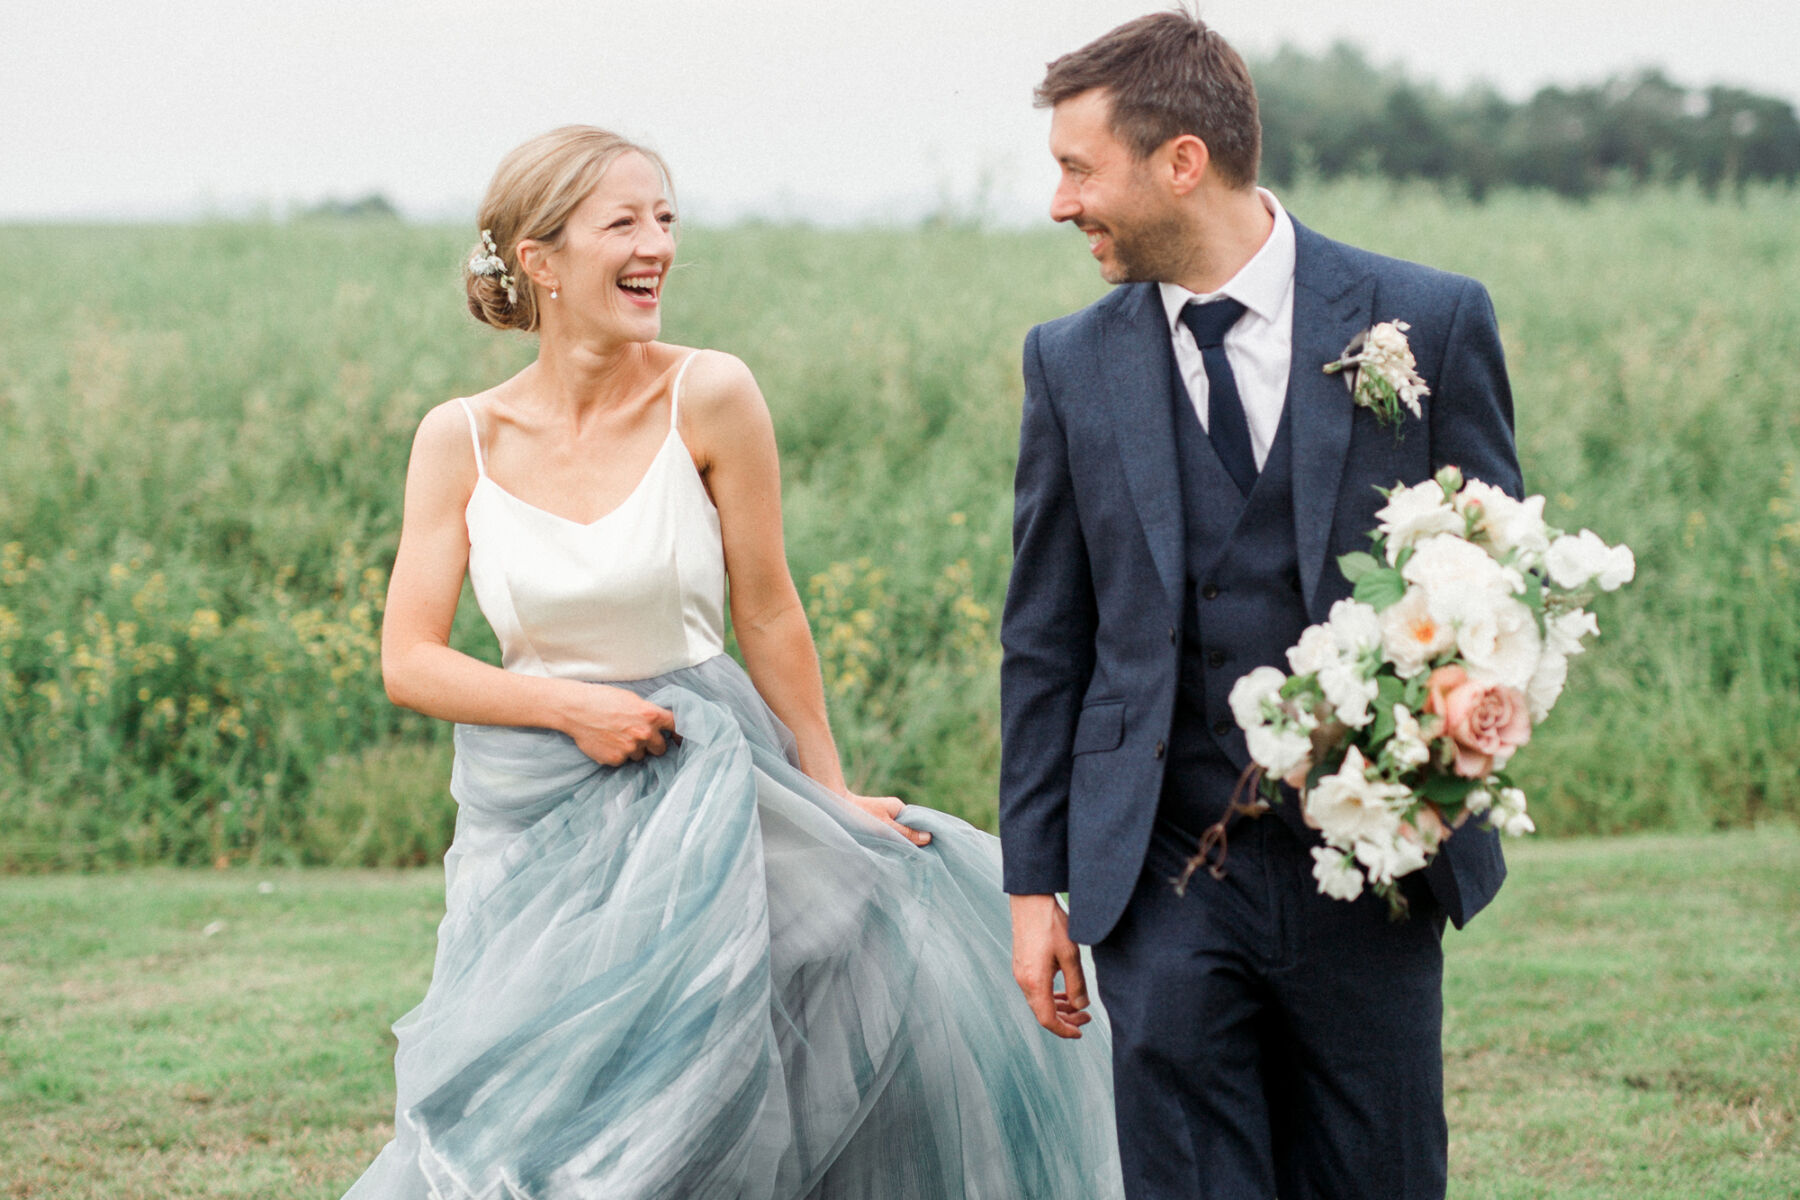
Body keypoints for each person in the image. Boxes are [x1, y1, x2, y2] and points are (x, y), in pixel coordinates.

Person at [342, 126, 1123, 1199]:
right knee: (539, 1105)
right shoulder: (459, 439)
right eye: (624, 222)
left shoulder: (709, 394)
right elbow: (410, 660)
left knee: (743, 1075)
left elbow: (770, 610)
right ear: (540, 260)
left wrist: (829, 784)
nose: (656, 244)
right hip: (539, 819)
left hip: (715, 777)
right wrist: (570, 707)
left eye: (664, 218)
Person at [1000, 14, 1522, 1200]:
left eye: (1079, 169)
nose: (1060, 203)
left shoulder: (1428, 321)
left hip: (1373, 872)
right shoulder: (1069, 362)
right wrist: (1035, 886)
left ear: (1181, 161)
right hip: (1166, 865)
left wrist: (1436, 764)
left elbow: (1500, 593)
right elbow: (1045, 638)